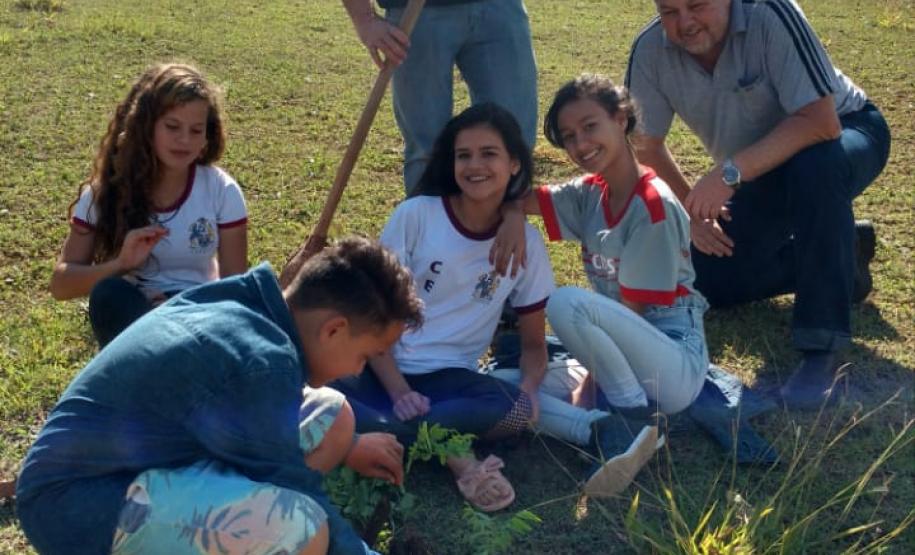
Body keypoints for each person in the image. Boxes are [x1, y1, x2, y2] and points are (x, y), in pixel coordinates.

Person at [16, 238, 424, 554]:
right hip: (77, 507)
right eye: (364, 356)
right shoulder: (262, 360)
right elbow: (294, 487)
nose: (357, 371)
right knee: (302, 527)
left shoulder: (248, 301)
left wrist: (350, 445)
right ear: (333, 329)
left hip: (131, 470)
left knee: (333, 417)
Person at [625, 0, 891, 409]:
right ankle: (843, 257)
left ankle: (821, 348)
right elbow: (645, 146)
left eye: (697, 5)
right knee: (708, 277)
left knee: (813, 168)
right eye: (669, 11)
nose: (684, 23)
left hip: (845, 134)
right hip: (757, 170)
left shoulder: (771, 14)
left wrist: (727, 174)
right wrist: (690, 216)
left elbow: (821, 121)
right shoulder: (649, 49)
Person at [498, 74, 710, 480]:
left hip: (672, 362)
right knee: (504, 384)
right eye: (568, 136)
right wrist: (510, 214)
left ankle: (629, 416)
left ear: (621, 118)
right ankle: (596, 430)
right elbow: (520, 201)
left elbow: (634, 315)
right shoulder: (590, 192)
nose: (580, 145)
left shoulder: (653, 207)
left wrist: (586, 386)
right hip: (621, 355)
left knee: (565, 303)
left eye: (590, 127)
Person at [49, 62, 249, 347]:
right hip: (135, 317)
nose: (184, 140)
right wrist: (121, 264)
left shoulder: (221, 190)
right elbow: (60, 285)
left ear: (208, 135)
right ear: (146, 125)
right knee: (109, 295)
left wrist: (178, 308)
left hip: (198, 317)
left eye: (196, 130)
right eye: (172, 126)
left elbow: (235, 290)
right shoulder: (103, 194)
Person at [341, 0, 538, 194]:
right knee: (427, 149)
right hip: (416, 14)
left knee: (514, 140)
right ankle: (430, 224)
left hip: (500, 9)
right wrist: (365, 20)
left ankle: (507, 222)